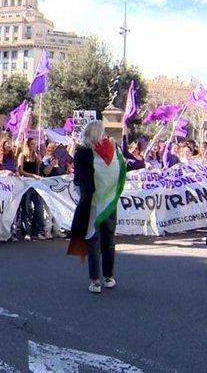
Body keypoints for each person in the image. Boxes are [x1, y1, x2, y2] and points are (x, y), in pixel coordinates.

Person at [69, 121, 126, 294]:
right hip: (110, 202)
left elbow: (79, 180)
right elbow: (122, 170)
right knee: (109, 239)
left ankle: (95, 281)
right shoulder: (114, 150)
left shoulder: (83, 153)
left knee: (93, 239)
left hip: (92, 203)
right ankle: (109, 277)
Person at [17, 138, 45, 240]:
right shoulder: (22, 155)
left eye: (35, 144)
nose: (34, 145)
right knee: (26, 207)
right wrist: (32, 175)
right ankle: (26, 231)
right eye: (32, 144)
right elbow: (21, 170)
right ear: (28, 144)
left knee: (38, 206)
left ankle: (36, 230)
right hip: (25, 184)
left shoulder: (36, 156)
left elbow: (37, 172)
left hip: (34, 184)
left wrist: (39, 164)